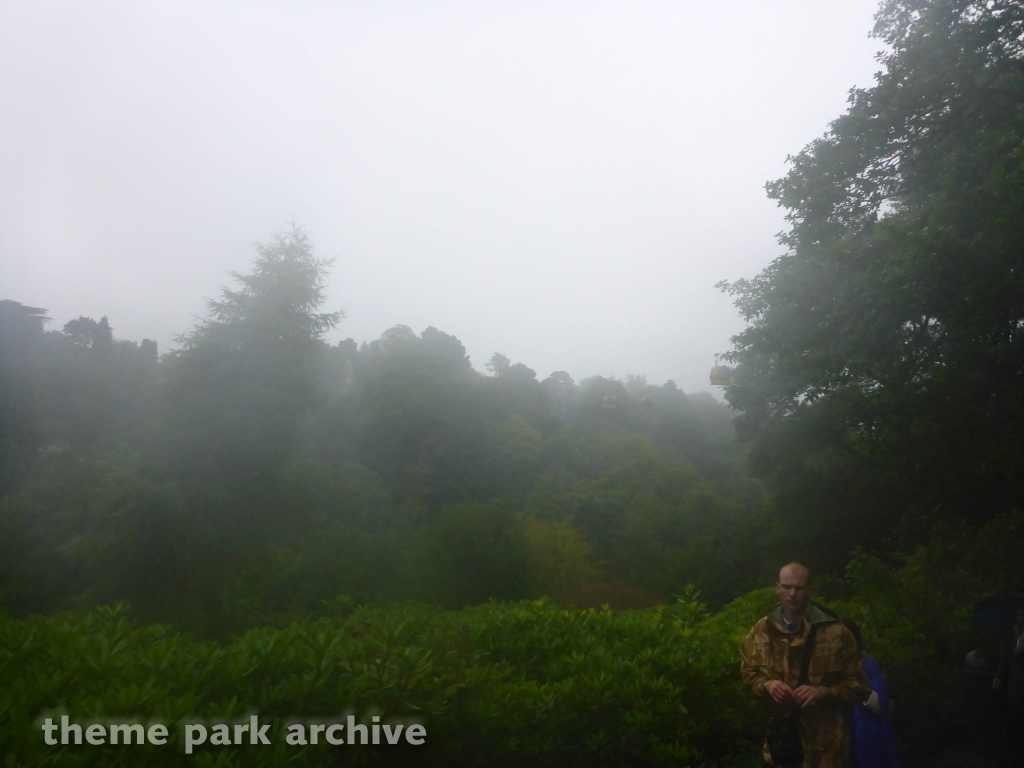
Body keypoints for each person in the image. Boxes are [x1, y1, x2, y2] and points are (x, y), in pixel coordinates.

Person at [741, 563, 871, 768]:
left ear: (810, 591)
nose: (792, 594)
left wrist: (823, 692)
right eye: (786, 587)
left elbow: (860, 686)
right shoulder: (761, 631)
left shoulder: (837, 632)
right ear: (777, 588)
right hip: (783, 748)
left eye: (799, 588)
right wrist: (767, 685)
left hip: (828, 750)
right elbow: (749, 675)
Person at [840, 619, 901, 768]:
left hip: (866, 737)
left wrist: (858, 688)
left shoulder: (867, 667)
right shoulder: (827, 672)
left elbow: (880, 706)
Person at [994, 605, 1024, 768]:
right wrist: (999, 675)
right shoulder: (1009, 632)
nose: (1021, 616)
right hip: (1016, 679)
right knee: (1015, 712)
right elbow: (1004, 655)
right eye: (1019, 613)